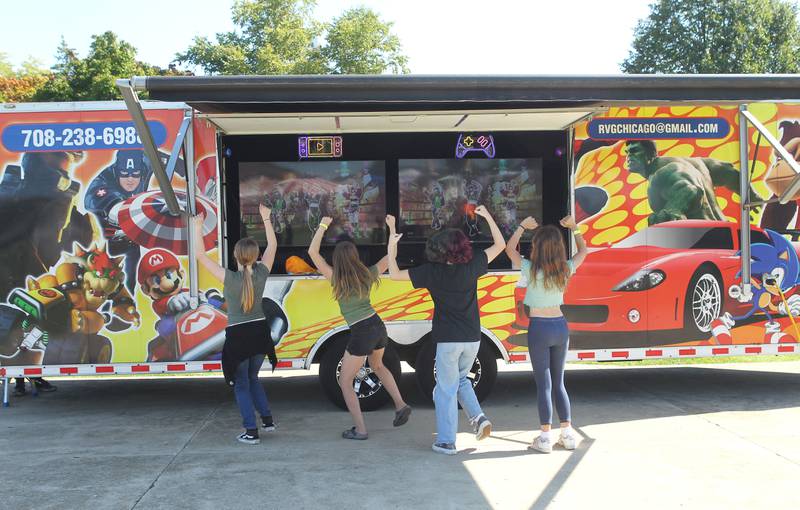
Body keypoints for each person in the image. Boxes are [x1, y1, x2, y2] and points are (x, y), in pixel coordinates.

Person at [388, 205, 506, 455]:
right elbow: (500, 245)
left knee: (444, 390)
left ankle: (446, 441)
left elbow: (394, 274)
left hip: (448, 340)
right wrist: (487, 218)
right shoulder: (473, 265)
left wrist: (391, 241)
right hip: (473, 337)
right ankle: (479, 418)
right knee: (461, 380)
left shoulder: (432, 272)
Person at [308, 214, 411, 440]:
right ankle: (401, 404)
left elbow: (313, 253)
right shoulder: (367, 273)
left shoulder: (335, 277)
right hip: (377, 325)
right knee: (378, 365)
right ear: (355, 257)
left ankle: (361, 430)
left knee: (345, 381)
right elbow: (389, 257)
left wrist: (323, 225)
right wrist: (392, 230)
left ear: (337, 259)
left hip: (361, 330)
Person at [193, 204, 278, 445]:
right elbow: (273, 246)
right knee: (253, 378)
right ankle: (268, 421)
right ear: (256, 256)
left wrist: (198, 227)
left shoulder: (229, 278)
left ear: (235, 256)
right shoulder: (261, 272)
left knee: (241, 384)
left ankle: (251, 431)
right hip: (260, 332)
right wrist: (266, 219)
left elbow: (200, 256)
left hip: (239, 336)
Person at [505, 215, 588, 453]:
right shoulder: (565, 268)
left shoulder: (530, 268)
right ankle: (568, 434)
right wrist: (574, 228)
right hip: (560, 326)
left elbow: (510, 249)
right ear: (558, 248)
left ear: (538, 247)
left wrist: (522, 227)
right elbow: (584, 251)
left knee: (544, 384)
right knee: (559, 382)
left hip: (539, 327)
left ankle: (544, 438)